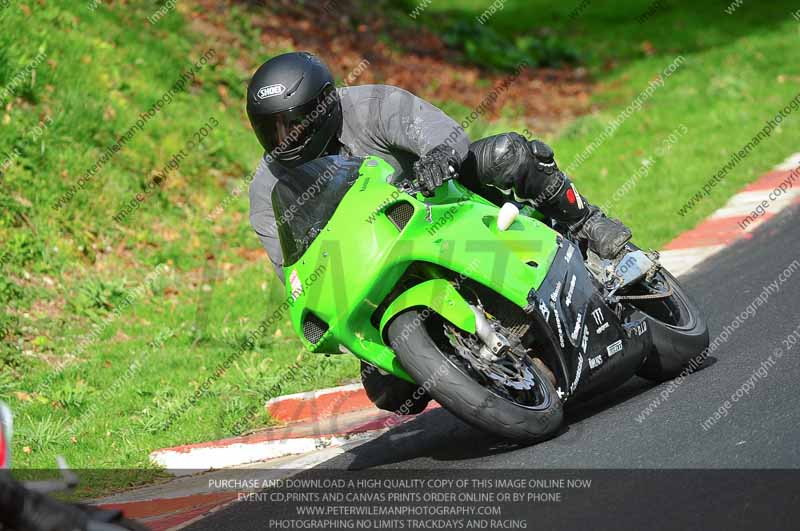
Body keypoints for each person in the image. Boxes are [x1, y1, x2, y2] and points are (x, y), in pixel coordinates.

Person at [247, 52, 631, 413]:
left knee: (507, 153)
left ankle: (587, 221)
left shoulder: (374, 105)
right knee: (391, 395)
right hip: (376, 262)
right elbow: (295, 271)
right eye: (272, 130)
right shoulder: (266, 190)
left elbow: (445, 135)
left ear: (326, 105)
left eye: (294, 125)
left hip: (442, 202)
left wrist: (437, 158)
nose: (286, 140)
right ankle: (472, 366)